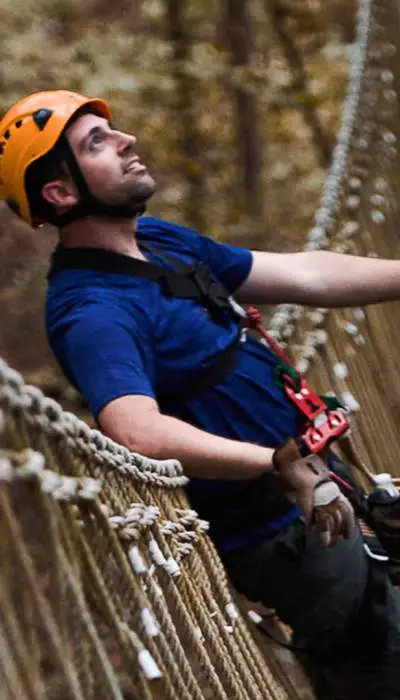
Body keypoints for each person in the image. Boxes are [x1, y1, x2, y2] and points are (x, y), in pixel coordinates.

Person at [1, 90, 400, 699]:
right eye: (96, 144)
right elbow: (135, 430)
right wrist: (277, 465)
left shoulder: (160, 242)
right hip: (282, 527)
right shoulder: (91, 311)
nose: (126, 140)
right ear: (60, 192)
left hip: (321, 487)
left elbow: (306, 274)